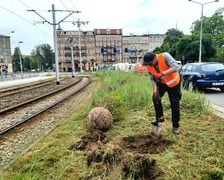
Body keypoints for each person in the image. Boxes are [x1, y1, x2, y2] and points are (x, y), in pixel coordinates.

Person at [142, 52, 182, 134]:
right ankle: (159, 117)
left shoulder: (165, 56)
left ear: (154, 59)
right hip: (162, 83)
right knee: (155, 98)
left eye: (150, 63)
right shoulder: (149, 66)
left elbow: (176, 67)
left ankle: (175, 126)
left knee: (174, 104)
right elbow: (152, 79)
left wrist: (162, 74)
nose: (149, 65)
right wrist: (155, 91)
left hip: (174, 84)